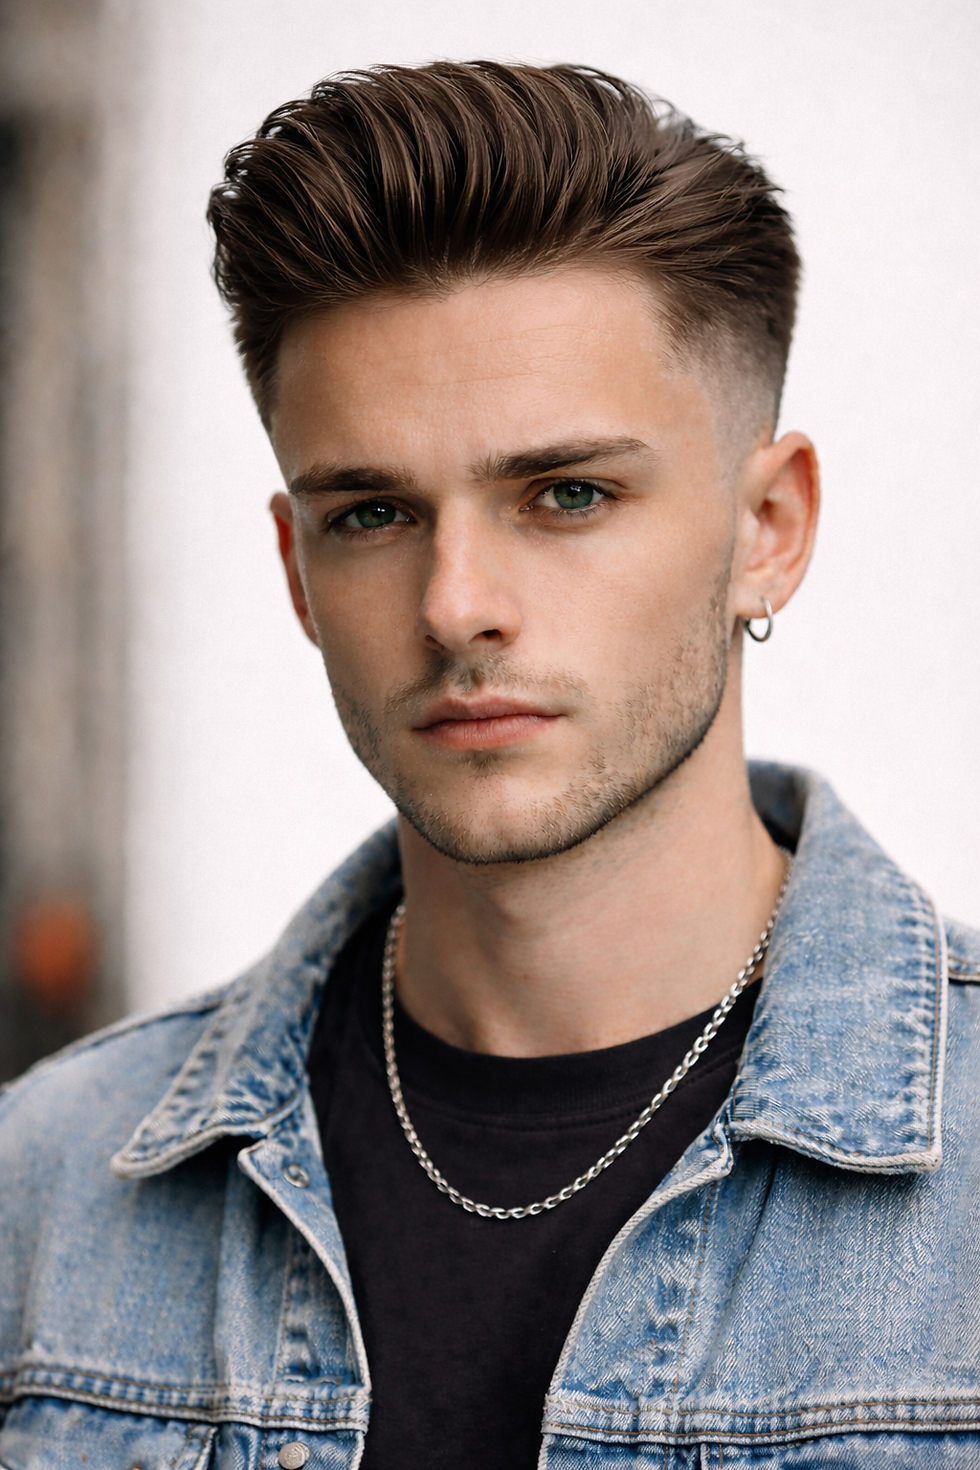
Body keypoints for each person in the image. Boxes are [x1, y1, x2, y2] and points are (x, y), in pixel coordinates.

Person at [1, 61, 977, 1470]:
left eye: (566, 494)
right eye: (375, 511)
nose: (457, 603)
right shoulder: (46, 1191)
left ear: (768, 524)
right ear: (295, 571)